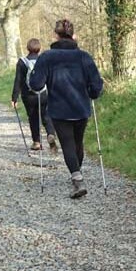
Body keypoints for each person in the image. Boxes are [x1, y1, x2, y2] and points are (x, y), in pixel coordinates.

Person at [28, 20, 103, 198]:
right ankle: (77, 174)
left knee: (68, 143)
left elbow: (36, 85)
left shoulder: (47, 57)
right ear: (73, 35)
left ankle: (77, 179)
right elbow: (96, 85)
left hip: (59, 109)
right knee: (78, 142)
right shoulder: (84, 57)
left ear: (56, 35)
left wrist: (34, 76)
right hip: (81, 107)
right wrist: (93, 93)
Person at [11, 38, 57, 152]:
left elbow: (18, 81)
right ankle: (50, 134)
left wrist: (14, 98)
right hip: (44, 94)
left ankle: (36, 142)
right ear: (39, 49)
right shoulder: (45, 60)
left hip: (28, 96)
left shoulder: (22, 62)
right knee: (47, 116)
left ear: (27, 48)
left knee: (33, 118)